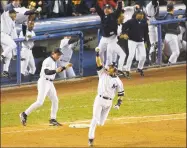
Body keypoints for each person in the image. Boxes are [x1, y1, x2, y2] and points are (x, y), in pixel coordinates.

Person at [19, 48, 72, 126]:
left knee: (55, 100)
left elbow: (57, 70)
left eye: (60, 55)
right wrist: (56, 71)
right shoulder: (48, 61)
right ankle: (24, 114)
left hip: (50, 83)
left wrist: (65, 67)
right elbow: (46, 72)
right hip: (44, 82)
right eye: (58, 55)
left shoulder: (54, 61)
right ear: (53, 53)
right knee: (40, 102)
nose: (59, 56)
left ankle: (53, 119)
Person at [88, 47, 124, 147]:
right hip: (99, 100)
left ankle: (93, 125)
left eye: (111, 67)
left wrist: (118, 104)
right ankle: (91, 139)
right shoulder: (102, 73)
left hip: (109, 103)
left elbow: (121, 94)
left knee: (101, 123)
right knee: (95, 119)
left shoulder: (118, 81)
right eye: (109, 66)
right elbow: (99, 63)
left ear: (114, 69)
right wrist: (97, 54)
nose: (108, 67)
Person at [96, 0, 126, 72]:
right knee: (99, 52)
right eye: (105, 8)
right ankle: (102, 67)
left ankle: (108, 67)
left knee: (109, 53)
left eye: (108, 8)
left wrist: (119, 2)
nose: (106, 10)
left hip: (112, 39)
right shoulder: (102, 16)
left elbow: (118, 10)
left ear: (111, 10)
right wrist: (96, 2)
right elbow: (98, 9)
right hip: (104, 38)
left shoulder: (113, 15)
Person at [122, 10, 149, 77]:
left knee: (143, 56)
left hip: (141, 41)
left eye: (142, 14)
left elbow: (146, 33)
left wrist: (146, 41)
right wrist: (124, 33)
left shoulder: (144, 22)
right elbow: (124, 26)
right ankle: (127, 70)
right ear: (136, 14)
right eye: (140, 14)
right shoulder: (131, 21)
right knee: (131, 56)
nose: (142, 15)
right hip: (132, 41)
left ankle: (140, 68)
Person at [1, 9, 18, 78]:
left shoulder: (13, 21)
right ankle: (2, 56)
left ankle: (5, 71)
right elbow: (2, 9)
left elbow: (13, 33)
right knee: (13, 45)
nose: (15, 15)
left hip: (6, 36)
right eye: (14, 14)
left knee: (9, 55)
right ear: (10, 14)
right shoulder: (5, 16)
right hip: (2, 34)